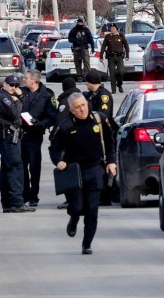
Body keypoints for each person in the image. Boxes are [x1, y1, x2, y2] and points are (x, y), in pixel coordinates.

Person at [49, 92, 116, 255]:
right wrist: (59, 161)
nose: (82, 109)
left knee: (92, 209)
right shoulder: (66, 127)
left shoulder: (99, 120)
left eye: (83, 105)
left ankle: (87, 244)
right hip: (74, 172)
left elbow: (109, 141)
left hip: (95, 169)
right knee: (77, 206)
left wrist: (111, 162)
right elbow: (54, 148)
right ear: (71, 110)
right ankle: (74, 218)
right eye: (77, 108)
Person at [0, 75, 35, 213]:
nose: (13, 88)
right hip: (8, 137)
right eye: (11, 85)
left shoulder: (8, 98)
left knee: (7, 169)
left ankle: (8, 203)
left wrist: (17, 100)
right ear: (4, 84)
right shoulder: (3, 98)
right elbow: (16, 114)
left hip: (10, 137)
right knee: (15, 168)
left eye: (16, 86)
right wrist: (19, 99)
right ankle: (16, 202)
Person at [19, 69, 58, 207]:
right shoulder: (21, 92)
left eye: (26, 78)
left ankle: (34, 195)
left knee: (34, 167)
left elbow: (53, 116)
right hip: (20, 134)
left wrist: (41, 125)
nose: (24, 80)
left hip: (34, 135)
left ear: (34, 80)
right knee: (21, 166)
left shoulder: (46, 95)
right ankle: (24, 194)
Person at [83, 70, 115, 205]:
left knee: (103, 165)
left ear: (91, 82)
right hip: (94, 133)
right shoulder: (92, 94)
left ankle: (106, 196)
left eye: (86, 81)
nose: (85, 84)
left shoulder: (103, 95)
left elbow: (103, 115)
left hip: (102, 133)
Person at [53, 76, 80, 210]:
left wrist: (54, 136)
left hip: (67, 140)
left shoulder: (65, 102)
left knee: (66, 168)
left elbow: (60, 122)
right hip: (80, 138)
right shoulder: (81, 98)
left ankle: (71, 199)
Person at [100, 23, 129, 93]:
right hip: (111, 57)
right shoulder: (107, 37)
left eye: (113, 28)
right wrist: (101, 56)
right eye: (111, 28)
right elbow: (103, 46)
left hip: (119, 57)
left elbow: (126, 46)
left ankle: (119, 84)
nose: (112, 29)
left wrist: (127, 55)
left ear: (116, 29)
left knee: (121, 71)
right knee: (112, 73)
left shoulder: (121, 36)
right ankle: (113, 89)